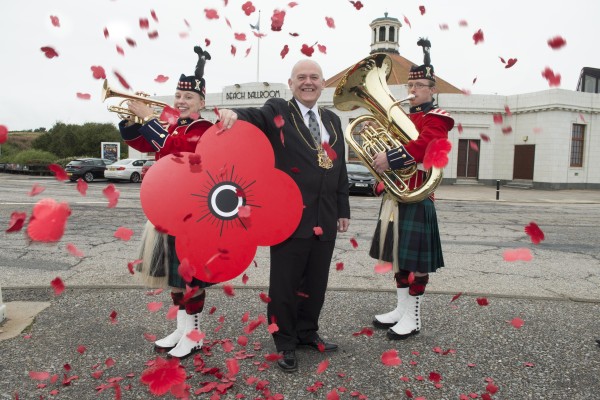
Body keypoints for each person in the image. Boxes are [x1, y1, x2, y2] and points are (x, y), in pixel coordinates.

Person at [218, 59, 351, 373]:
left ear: (322, 84)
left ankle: (307, 331)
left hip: (326, 215)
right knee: (285, 285)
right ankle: (285, 342)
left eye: (314, 77)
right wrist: (234, 114)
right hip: (289, 216)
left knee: (316, 282)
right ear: (291, 84)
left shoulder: (332, 119)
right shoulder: (279, 110)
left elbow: (340, 168)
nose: (308, 82)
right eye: (301, 77)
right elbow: (256, 116)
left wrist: (342, 208)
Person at [117, 46, 213, 359]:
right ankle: (183, 330)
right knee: (173, 279)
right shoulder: (173, 126)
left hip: (192, 215)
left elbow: (174, 149)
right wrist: (130, 118)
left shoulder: (204, 129)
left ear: (202, 102)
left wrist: (149, 117)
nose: (181, 101)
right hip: (167, 211)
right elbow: (143, 142)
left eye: (188, 98)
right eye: (178, 97)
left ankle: (195, 335)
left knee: (190, 279)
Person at [369, 39, 454, 340]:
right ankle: (401, 309)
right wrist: (381, 178)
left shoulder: (438, 118)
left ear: (432, 89)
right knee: (398, 258)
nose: (413, 90)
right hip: (395, 195)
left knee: (415, 263)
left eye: (420, 85)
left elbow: (425, 146)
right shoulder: (401, 117)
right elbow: (387, 145)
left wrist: (389, 158)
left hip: (418, 195)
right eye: (411, 84)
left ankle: (413, 318)